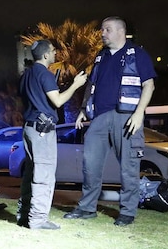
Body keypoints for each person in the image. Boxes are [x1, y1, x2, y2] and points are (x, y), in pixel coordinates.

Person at [64, 16, 156, 227]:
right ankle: (87, 208)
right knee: (90, 164)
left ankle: (127, 212)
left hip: (126, 117)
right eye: (102, 30)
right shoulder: (101, 56)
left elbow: (148, 85)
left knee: (128, 167)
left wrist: (139, 113)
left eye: (106, 29)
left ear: (120, 32)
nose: (102, 33)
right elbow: (91, 85)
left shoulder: (138, 55)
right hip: (99, 118)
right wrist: (82, 109)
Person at [18, 40, 88, 230]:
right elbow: (57, 101)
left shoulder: (27, 74)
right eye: (53, 50)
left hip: (29, 128)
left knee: (30, 173)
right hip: (43, 131)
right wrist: (75, 85)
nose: (55, 53)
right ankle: (38, 219)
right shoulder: (44, 74)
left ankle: (24, 215)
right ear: (46, 55)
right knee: (44, 175)